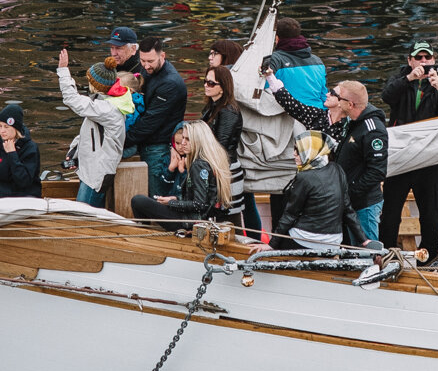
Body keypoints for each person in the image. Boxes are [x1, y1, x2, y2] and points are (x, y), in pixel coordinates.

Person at [378, 41, 438, 259]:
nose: (423, 62)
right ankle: (385, 255)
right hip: (401, 157)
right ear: (410, 60)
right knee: (390, 213)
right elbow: (386, 97)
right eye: (419, 58)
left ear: (433, 60)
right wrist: (409, 79)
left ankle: (429, 259)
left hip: (429, 160)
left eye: (427, 58)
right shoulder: (400, 78)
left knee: (430, 215)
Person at [255, 131, 356, 251]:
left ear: (311, 151)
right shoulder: (337, 169)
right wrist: (364, 241)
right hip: (334, 242)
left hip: (306, 241)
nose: (294, 154)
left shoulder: (304, 177)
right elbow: (348, 210)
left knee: (283, 239)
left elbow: (290, 215)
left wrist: (271, 245)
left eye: (298, 150)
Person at [57, 52, 129, 208]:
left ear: (96, 85)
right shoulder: (100, 104)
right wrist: (73, 152)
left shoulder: (107, 109)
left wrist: (63, 71)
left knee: (83, 216)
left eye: (90, 80)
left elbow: (72, 99)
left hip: (97, 173)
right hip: (89, 169)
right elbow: (88, 134)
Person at [131, 121, 234, 229]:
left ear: (199, 141)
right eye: (183, 138)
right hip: (201, 220)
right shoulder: (210, 161)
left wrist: (172, 203)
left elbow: (199, 205)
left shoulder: (198, 165)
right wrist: (175, 198)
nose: (183, 142)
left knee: (138, 200)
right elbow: (202, 199)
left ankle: (144, 236)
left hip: (190, 223)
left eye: (188, 139)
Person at [126, 36, 188, 198]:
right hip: (144, 141)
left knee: (157, 195)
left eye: (150, 61)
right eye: (142, 60)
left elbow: (150, 122)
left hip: (158, 147)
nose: (146, 66)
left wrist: (122, 140)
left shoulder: (170, 83)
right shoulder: (144, 68)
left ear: (162, 56)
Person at [332, 81, 388, 242]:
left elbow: (377, 171)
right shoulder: (353, 122)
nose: (336, 101)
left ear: (350, 104)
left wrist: (350, 192)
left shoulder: (373, 129)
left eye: (338, 98)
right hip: (351, 202)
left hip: (364, 205)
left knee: (368, 254)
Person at [201, 66, 248, 219]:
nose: (206, 86)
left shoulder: (228, 111)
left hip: (225, 171)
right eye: (205, 82)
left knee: (228, 217)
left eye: (211, 83)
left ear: (223, 87)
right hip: (216, 168)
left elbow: (221, 145)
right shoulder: (212, 107)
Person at [269, 17, 328, 109]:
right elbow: (324, 96)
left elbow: (265, 91)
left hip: (290, 116)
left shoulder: (274, 59)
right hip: (318, 112)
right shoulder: (318, 61)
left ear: (277, 38)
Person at [0, 104, 40, 198]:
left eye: (6, 127)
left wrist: (12, 154)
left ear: (16, 128)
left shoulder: (30, 148)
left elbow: (24, 181)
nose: (2, 131)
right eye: (0, 126)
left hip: (24, 196)